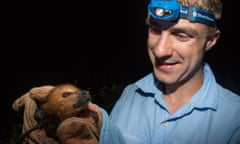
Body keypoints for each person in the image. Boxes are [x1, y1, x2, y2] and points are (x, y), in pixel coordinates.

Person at [15, 0, 240, 143]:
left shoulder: (234, 119)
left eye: (182, 35)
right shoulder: (131, 94)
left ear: (210, 40)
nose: (160, 50)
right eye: (154, 30)